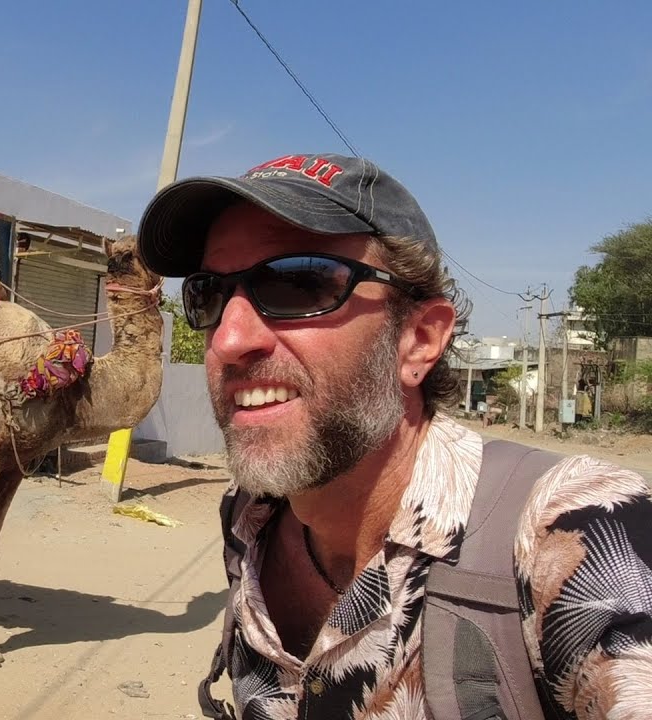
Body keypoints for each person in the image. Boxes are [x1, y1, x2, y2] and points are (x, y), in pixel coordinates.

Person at [135, 153, 652, 719]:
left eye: (297, 282)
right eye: (209, 293)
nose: (229, 339)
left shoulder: (575, 530)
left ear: (419, 339)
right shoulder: (249, 520)